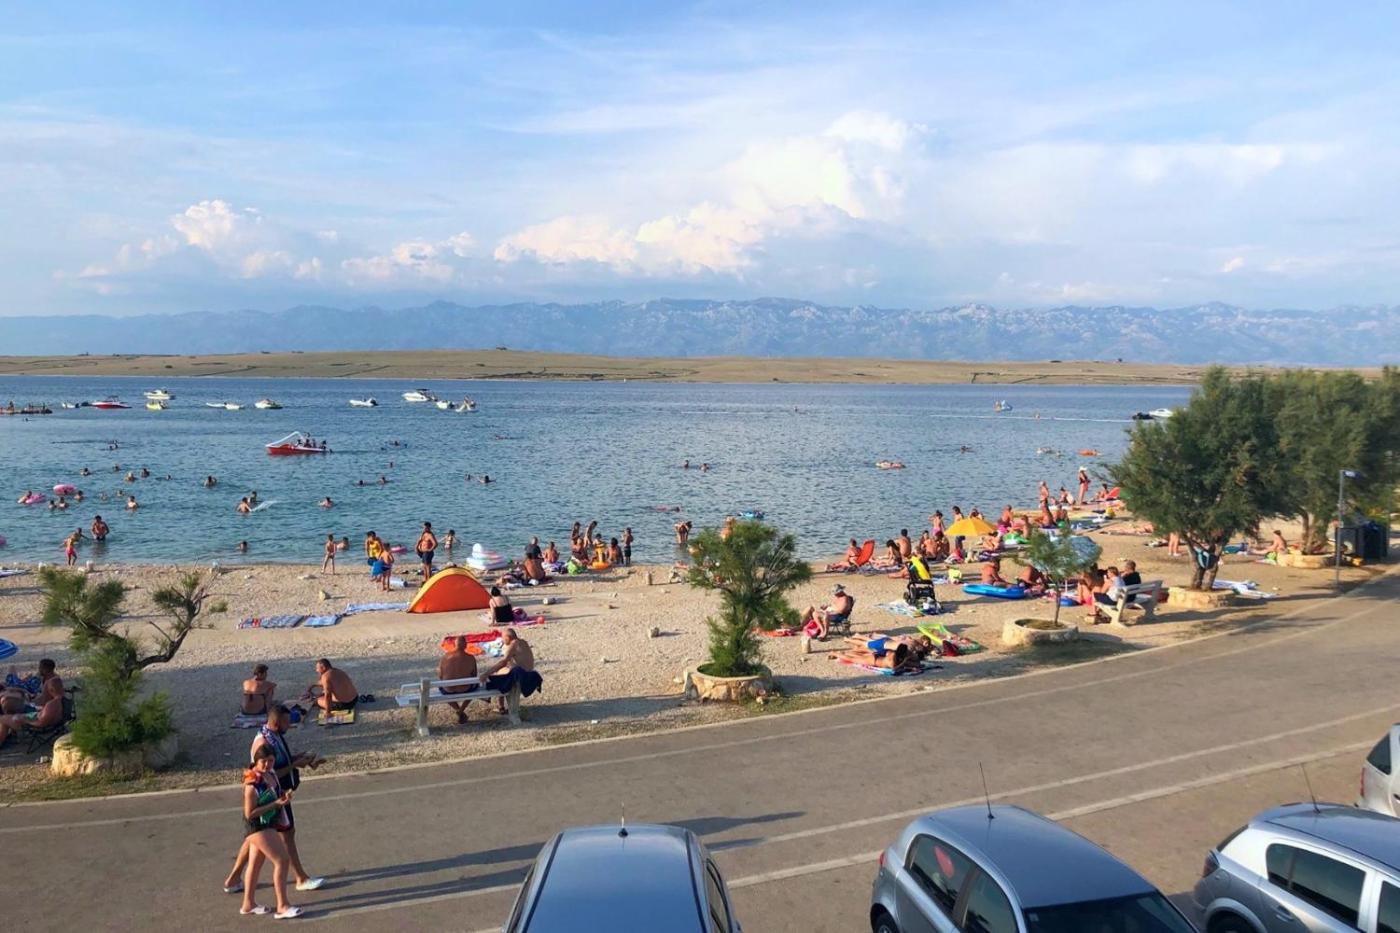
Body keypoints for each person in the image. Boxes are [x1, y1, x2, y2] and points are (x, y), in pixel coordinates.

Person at [224, 706, 326, 897]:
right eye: (287, 722)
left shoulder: (274, 735)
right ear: (276, 723)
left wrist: (302, 758)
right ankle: (300, 879)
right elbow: (268, 772)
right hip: (270, 797)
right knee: (285, 835)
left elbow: (279, 762)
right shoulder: (263, 742)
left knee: (253, 840)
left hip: (276, 794)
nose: (290, 725)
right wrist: (295, 764)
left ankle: (234, 879)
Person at [234, 744, 302, 918]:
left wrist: (282, 797)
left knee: (255, 864)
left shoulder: (270, 774)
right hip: (257, 826)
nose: (267, 764)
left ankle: (248, 904)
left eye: (270, 761)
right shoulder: (252, 784)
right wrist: (275, 804)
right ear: (256, 761)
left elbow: (274, 794)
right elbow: (250, 814)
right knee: (282, 860)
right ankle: (282, 906)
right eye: (263, 761)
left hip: (268, 822)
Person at [479, 629, 542, 714]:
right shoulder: (523, 642)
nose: (502, 640)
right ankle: (500, 706)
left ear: (507, 638)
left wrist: (487, 673)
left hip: (522, 676)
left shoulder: (513, 645)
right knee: (502, 671)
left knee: (499, 672)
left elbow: (503, 662)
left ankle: (492, 700)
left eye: (503, 638)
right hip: (529, 673)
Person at [0, 677, 65, 747]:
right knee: (10, 711)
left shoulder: (51, 705)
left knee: (2, 719)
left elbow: (41, 721)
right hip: (41, 720)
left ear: (51, 690)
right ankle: (11, 736)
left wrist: (23, 718)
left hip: (35, 724)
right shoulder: (63, 701)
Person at [834, 633, 935, 672]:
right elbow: (896, 667)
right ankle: (848, 640)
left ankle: (852, 647)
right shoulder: (911, 647)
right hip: (883, 646)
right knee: (866, 645)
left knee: (867, 647)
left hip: (884, 647)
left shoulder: (908, 646)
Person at [437, 636, 480, 724]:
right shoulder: (471, 658)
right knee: (475, 686)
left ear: (454, 645)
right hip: (465, 689)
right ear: (466, 645)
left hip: (448, 690)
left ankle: (458, 710)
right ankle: (460, 711)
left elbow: (440, 676)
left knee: (442, 686)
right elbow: (474, 676)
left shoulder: (445, 657)